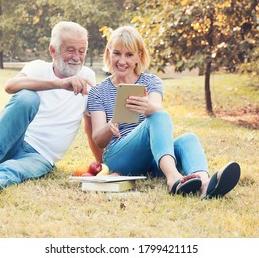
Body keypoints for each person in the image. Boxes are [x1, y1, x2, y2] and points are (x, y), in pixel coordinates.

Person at [0, 21, 103, 200]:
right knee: (27, 97)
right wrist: (60, 84)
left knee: (14, 171)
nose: (76, 57)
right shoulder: (38, 67)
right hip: (14, 140)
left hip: (41, 156)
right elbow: (11, 86)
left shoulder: (88, 77)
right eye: (70, 50)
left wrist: (102, 163)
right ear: (53, 51)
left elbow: (91, 124)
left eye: (82, 50)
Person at [87, 25, 240, 198]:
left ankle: (205, 184)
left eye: (129, 55)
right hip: (119, 158)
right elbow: (98, 140)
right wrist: (109, 127)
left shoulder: (152, 82)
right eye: (117, 53)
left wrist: (146, 107)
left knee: (187, 138)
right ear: (109, 53)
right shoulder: (98, 91)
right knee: (158, 116)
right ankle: (173, 178)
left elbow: (156, 107)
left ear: (139, 56)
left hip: (153, 159)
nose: (122, 61)